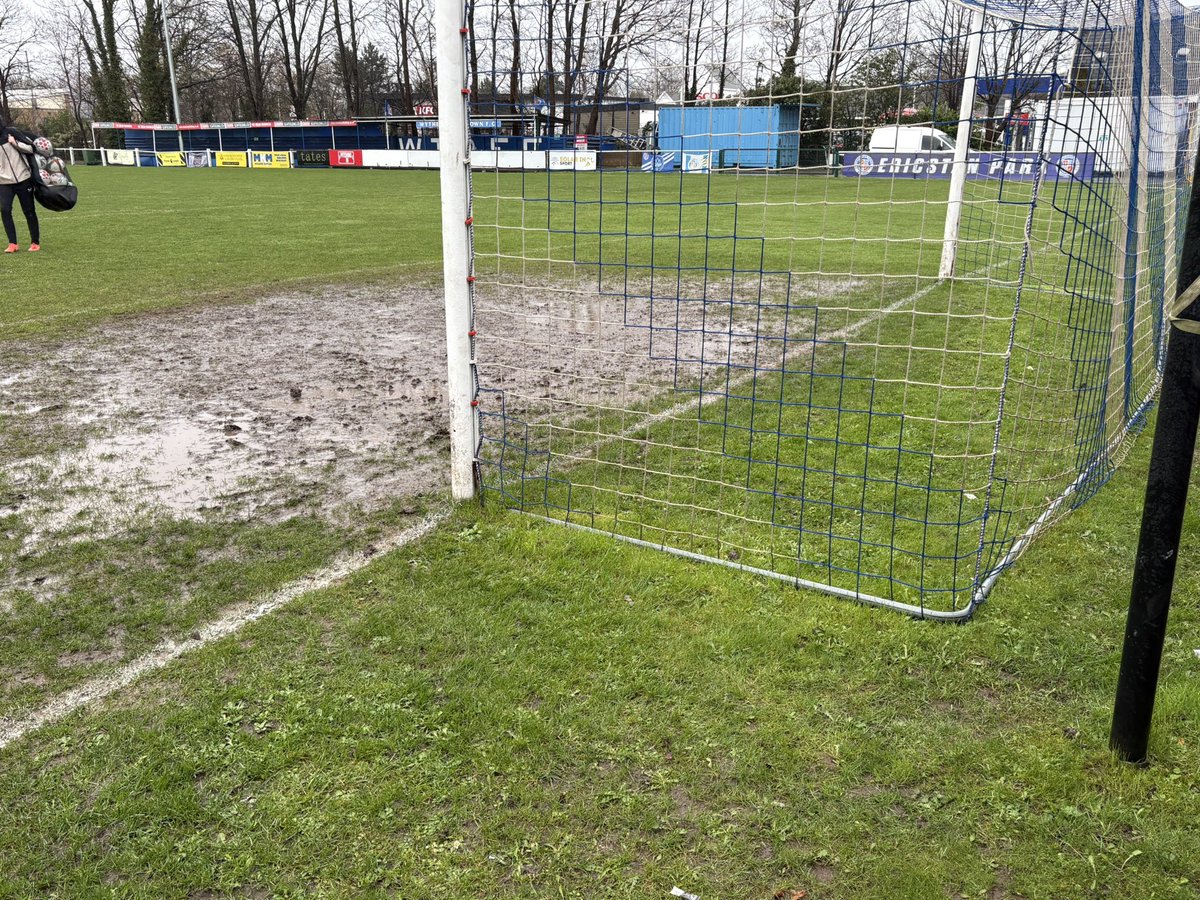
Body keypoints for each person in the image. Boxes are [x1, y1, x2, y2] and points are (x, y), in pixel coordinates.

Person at [0, 121, 41, 254]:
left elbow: (31, 148)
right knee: (5, 210)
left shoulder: (11, 132)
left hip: (23, 179)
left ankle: (35, 242)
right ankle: (13, 243)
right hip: (4, 182)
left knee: (29, 211)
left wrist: (14, 143)